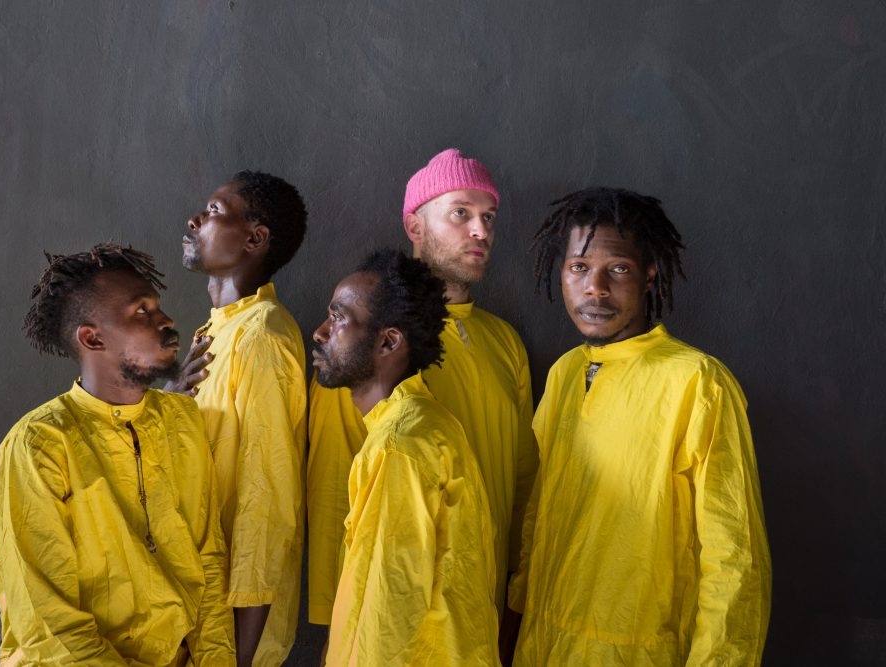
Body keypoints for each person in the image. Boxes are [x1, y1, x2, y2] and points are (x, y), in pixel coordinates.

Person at [503, 188, 772, 665]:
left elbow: (735, 558)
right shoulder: (565, 373)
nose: (595, 288)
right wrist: (516, 618)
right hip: (543, 645)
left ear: (649, 274)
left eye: (619, 269)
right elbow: (537, 516)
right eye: (579, 267)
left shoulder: (697, 382)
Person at [307, 149, 537, 632]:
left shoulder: (505, 341)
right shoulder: (361, 344)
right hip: (398, 619)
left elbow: (522, 481)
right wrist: (335, 624)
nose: (480, 231)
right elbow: (332, 491)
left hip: (486, 613)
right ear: (415, 226)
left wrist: (516, 600)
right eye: (460, 213)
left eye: (488, 217)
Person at [0, 242, 235, 666]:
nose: (166, 320)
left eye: (158, 306)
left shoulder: (182, 421)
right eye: (142, 311)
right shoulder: (38, 445)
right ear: (92, 337)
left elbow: (208, 562)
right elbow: (48, 624)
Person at [314, 250, 500, 666]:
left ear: (389, 341)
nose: (320, 332)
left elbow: (388, 618)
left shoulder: (399, 448)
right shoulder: (423, 424)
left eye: (338, 318)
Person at [171, 171, 307, 666]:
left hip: (227, 635)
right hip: (192, 614)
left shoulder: (261, 338)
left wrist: (237, 656)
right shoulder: (220, 330)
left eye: (212, 212)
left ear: (255, 238)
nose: (194, 220)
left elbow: (265, 505)